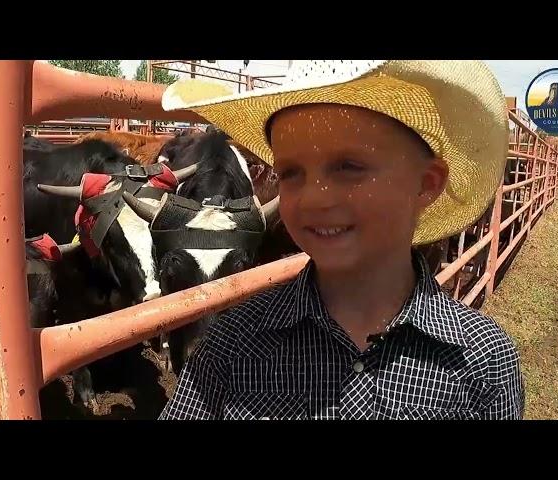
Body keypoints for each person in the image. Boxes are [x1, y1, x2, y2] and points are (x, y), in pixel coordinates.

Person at [157, 60, 524, 420]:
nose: (314, 198)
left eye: (349, 167)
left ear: (426, 184)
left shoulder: (483, 361)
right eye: (290, 172)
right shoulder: (231, 344)